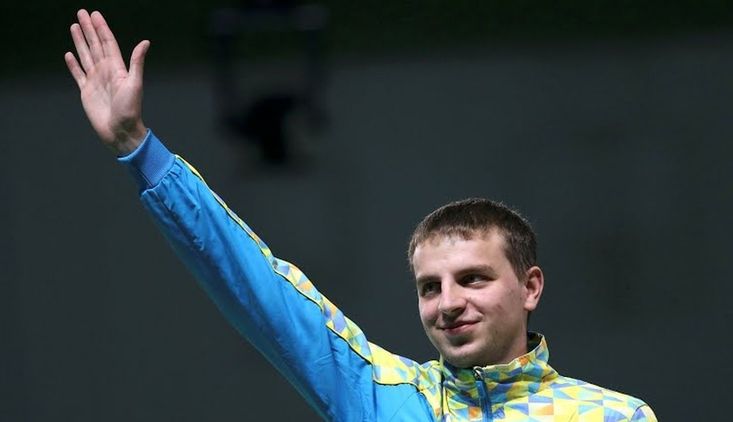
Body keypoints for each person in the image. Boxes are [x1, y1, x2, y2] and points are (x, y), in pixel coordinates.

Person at [64, 9, 657, 421]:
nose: (448, 303)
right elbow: (260, 287)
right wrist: (138, 149)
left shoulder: (615, 417)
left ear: (530, 287)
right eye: (430, 286)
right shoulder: (385, 397)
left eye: (473, 278)